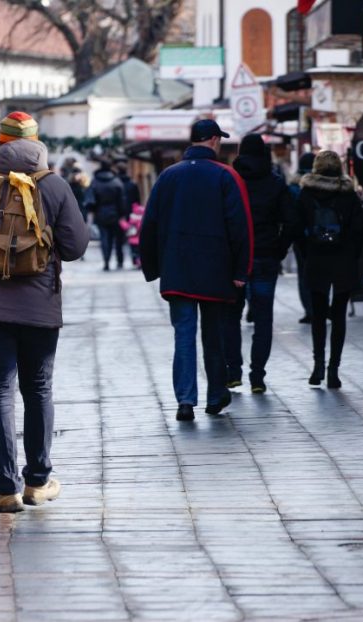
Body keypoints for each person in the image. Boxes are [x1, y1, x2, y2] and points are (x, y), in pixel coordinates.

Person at [0, 111, 89, 512]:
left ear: (1, 140)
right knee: (38, 388)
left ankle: (5, 488)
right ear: (36, 141)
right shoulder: (55, 185)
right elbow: (76, 247)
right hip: (40, 307)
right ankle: (38, 482)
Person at [139, 119, 251, 421]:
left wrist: (153, 267)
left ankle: (185, 401)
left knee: (183, 336)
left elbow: (148, 224)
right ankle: (216, 394)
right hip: (216, 270)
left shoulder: (168, 176)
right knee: (213, 335)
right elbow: (240, 227)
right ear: (214, 140)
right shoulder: (226, 176)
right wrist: (241, 270)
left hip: (177, 270)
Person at [224, 133, 295, 394]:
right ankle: (257, 377)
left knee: (231, 317)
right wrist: (279, 249)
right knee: (263, 319)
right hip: (265, 256)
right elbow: (291, 220)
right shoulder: (275, 182)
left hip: (235, 259)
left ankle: (233, 372)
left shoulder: (230, 180)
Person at [294, 151, 363, 389]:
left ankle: (317, 366)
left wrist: (307, 253)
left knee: (318, 315)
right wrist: (352, 255)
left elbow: (297, 228)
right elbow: (359, 231)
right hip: (343, 259)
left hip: (316, 258)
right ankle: (334, 369)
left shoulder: (306, 193)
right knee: (339, 316)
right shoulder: (349, 195)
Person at [84, 158, 128, 271]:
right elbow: (122, 200)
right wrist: (123, 214)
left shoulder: (95, 181)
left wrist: (92, 212)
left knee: (104, 238)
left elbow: (90, 198)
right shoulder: (116, 182)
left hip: (100, 213)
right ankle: (119, 261)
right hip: (115, 214)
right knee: (118, 239)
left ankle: (106, 262)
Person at [289, 152, 316, 324]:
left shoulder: (293, 187)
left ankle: (309, 310)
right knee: (321, 272)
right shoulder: (322, 184)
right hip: (321, 236)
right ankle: (321, 306)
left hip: (300, 237)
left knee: (303, 274)